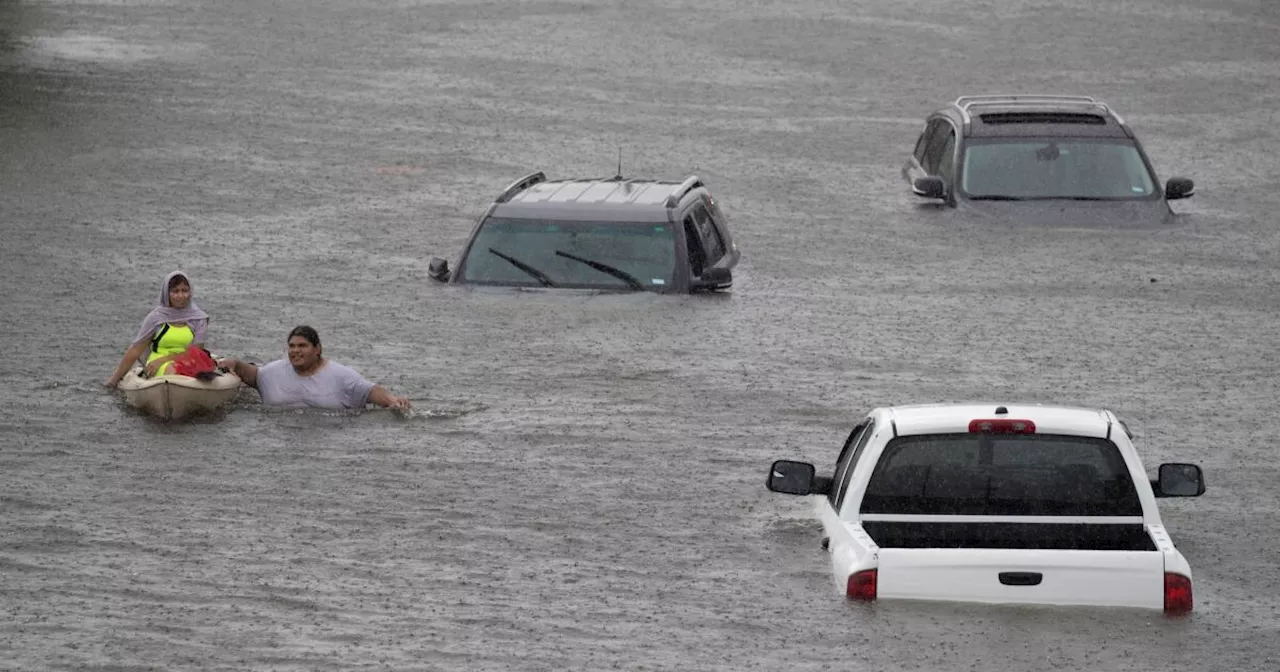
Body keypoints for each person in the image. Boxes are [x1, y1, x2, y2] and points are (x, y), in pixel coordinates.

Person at [217, 325, 411, 410]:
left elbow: (369, 390)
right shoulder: (272, 372)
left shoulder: (341, 376)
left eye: (302, 346)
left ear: (317, 349)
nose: (295, 351)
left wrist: (393, 401)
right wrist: (233, 362)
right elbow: (251, 374)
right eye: (292, 346)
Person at [105, 271, 210, 388]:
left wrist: (166, 359)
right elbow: (135, 350)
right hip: (157, 362)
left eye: (184, 291)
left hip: (188, 361)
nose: (180, 296)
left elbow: (196, 352)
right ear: (166, 293)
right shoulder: (155, 318)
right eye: (175, 291)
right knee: (172, 370)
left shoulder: (199, 318)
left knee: (188, 371)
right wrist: (114, 380)